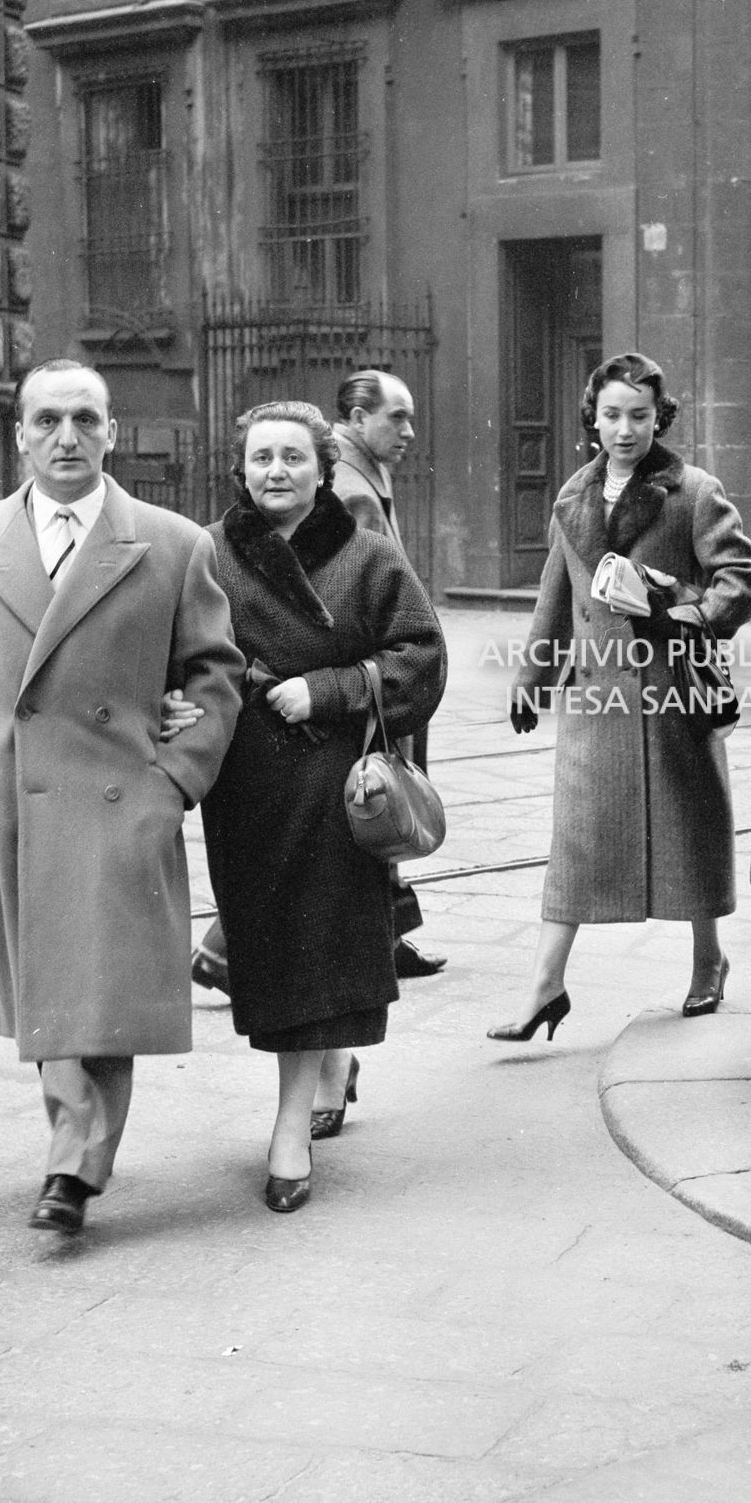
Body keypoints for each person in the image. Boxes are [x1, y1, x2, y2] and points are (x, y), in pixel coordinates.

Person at [0, 360, 242, 1234]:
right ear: (20, 435)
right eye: (49, 420)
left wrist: (174, 781)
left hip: (124, 797)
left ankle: (74, 1164)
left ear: (111, 433)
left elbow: (215, 678)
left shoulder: (173, 544)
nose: (68, 438)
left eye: (86, 420)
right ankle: (76, 1153)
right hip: (17, 799)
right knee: (53, 983)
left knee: (105, 989)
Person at [199, 401, 446, 1211]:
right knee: (280, 956)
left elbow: (421, 655)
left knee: (318, 948)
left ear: (322, 468)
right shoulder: (209, 553)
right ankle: (333, 1067)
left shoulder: (367, 554)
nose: (277, 471)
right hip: (246, 786)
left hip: (339, 788)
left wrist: (331, 690)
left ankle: (289, 1132)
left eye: (293, 458)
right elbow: (184, 655)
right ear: (241, 470)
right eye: (262, 458)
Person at [497, 353, 751, 1040]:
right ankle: (545, 986)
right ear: (593, 418)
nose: (624, 430)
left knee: (689, 829)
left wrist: (688, 611)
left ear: (658, 419)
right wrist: (532, 678)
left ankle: (708, 960)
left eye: (639, 416)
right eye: (612, 415)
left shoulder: (693, 491)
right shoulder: (572, 496)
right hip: (594, 697)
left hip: (670, 692)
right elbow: (557, 592)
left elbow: (742, 576)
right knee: (575, 842)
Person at [334, 369, 446, 983]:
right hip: (376, 677)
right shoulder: (355, 489)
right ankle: (223, 951)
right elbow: (369, 597)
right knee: (376, 800)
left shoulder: (360, 475)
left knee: (376, 801)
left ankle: (389, 937)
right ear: (357, 418)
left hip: (370, 675)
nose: (409, 432)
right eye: (396, 417)